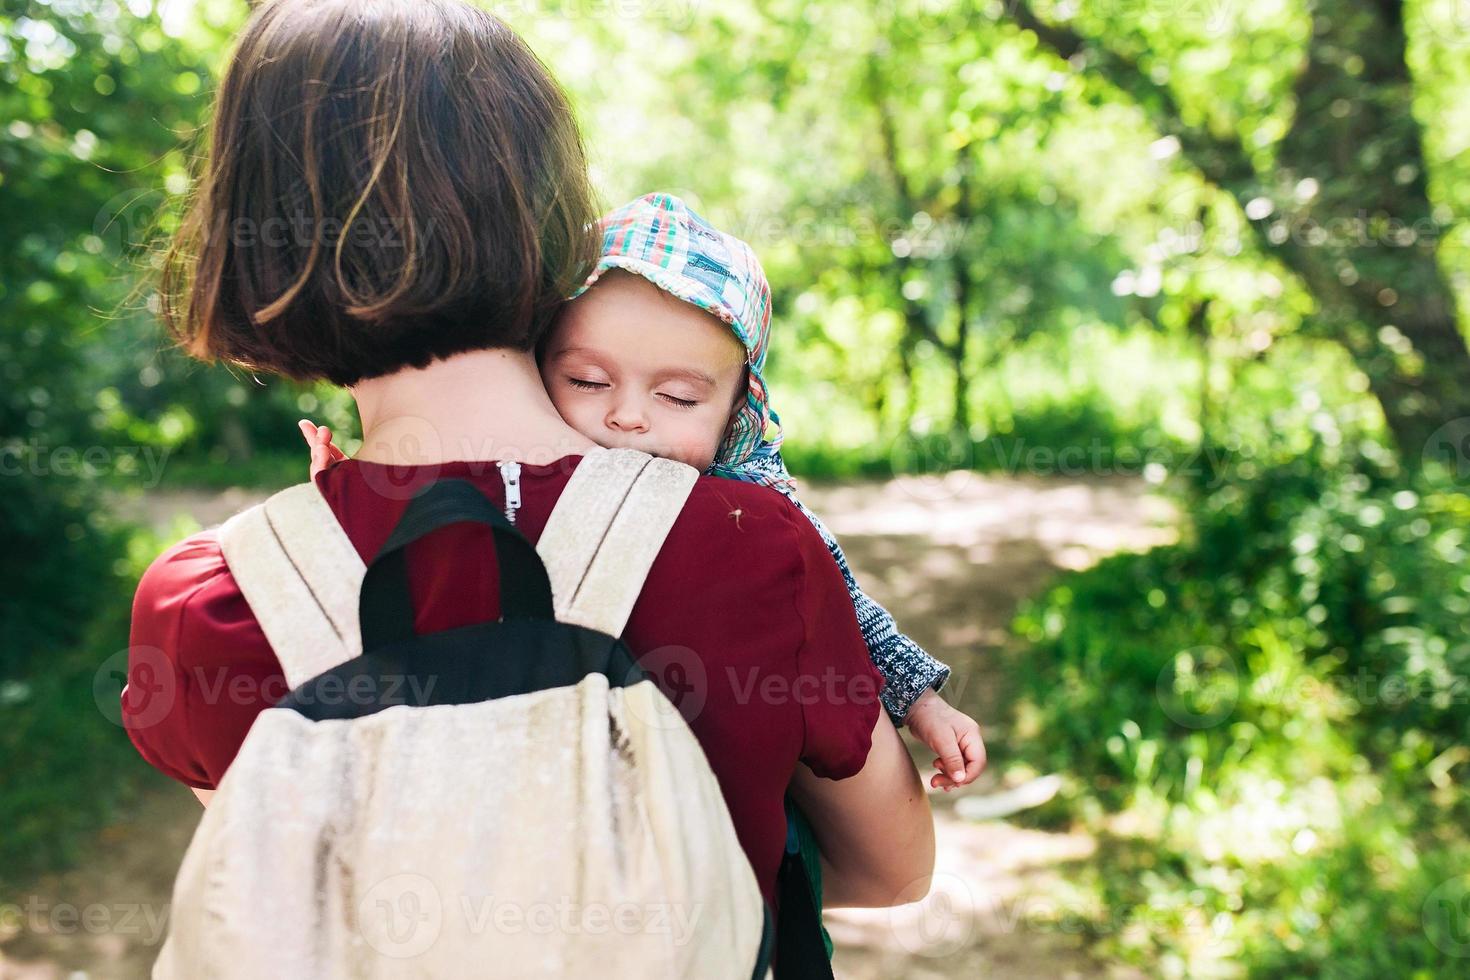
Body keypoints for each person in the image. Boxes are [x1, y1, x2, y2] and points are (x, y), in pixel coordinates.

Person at [121, 0, 933, 927]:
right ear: (549, 217)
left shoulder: (209, 605)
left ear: (250, 233)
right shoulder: (751, 549)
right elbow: (891, 872)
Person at [302, 192, 987, 791]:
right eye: (589, 383)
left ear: (735, 412)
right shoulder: (523, 470)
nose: (628, 417)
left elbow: (849, 607)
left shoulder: (751, 502)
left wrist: (922, 701)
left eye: (678, 396)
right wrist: (349, 483)